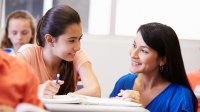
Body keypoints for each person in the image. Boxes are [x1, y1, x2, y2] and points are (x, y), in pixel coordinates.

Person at [16, 5, 101, 98]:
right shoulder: (27, 54)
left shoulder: (77, 55)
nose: (78, 47)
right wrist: (36, 91)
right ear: (50, 40)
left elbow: (95, 91)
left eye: (79, 39)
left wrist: (62, 98)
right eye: (71, 40)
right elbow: (6, 89)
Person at [109, 22, 197, 112]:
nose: (133, 54)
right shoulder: (124, 82)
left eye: (143, 51)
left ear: (162, 60)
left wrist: (141, 110)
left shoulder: (180, 95)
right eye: (134, 46)